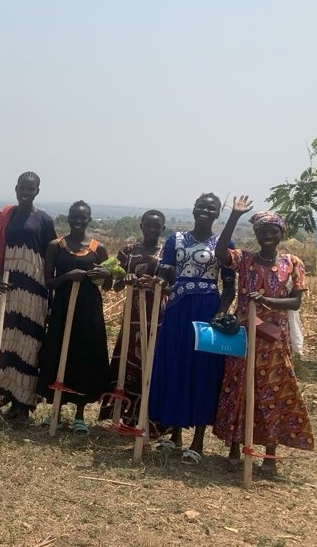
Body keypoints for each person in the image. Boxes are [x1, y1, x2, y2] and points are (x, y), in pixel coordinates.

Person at [212, 200, 314, 477]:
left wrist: (267, 300)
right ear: (256, 235)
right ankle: (235, 447)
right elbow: (220, 253)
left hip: (274, 339)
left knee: (273, 391)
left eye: (273, 231)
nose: (268, 236)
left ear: (281, 233)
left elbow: (295, 302)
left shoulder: (292, 263)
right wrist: (234, 216)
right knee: (238, 388)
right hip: (243, 335)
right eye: (263, 232)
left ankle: (269, 454)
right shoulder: (244, 259)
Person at [148, 193, 235, 465]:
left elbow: (229, 287)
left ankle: (198, 440)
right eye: (201, 206)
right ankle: (174, 434)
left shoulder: (223, 244)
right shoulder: (175, 240)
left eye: (211, 208)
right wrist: (159, 283)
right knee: (176, 365)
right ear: (194, 209)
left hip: (207, 311)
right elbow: (165, 275)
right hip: (177, 311)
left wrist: (220, 313)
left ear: (218, 214)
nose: (205, 211)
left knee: (203, 370)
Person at [36, 201, 113, 436]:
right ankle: (56, 411)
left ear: (89, 219)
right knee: (59, 352)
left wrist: (106, 274)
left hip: (88, 310)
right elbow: (49, 282)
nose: (78, 221)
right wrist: (68, 276)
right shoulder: (56, 246)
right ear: (68, 218)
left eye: (82, 217)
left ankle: (80, 414)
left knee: (84, 356)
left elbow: (107, 285)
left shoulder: (98, 249)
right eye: (74, 216)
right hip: (62, 308)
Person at [0, 172, 57, 422]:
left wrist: (50, 292)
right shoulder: (8, 215)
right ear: (16, 189)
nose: (26, 193)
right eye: (22, 188)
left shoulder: (44, 220)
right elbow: (0, 250)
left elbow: (51, 257)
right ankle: (7, 395)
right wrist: (0, 278)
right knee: (6, 341)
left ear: (37, 191)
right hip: (11, 286)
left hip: (34, 290)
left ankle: (24, 403)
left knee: (28, 343)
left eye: (31, 189)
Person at [97, 210, 166, 429]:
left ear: (163, 229)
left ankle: (148, 416)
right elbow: (113, 282)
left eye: (157, 226)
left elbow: (171, 282)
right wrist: (123, 278)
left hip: (157, 316)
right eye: (148, 225)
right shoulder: (128, 251)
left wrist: (156, 282)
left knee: (152, 361)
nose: (152, 230)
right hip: (132, 316)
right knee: (128, 361)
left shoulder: (167, 253)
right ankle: (125, 414)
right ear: (141, 226)